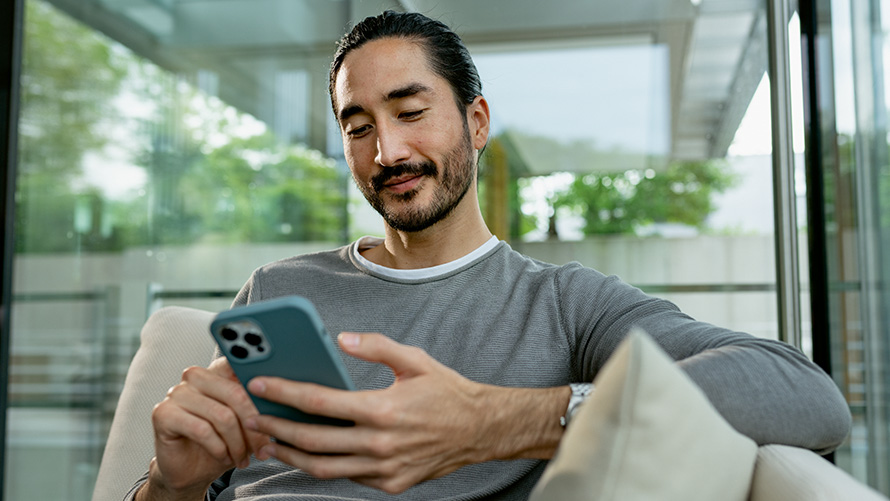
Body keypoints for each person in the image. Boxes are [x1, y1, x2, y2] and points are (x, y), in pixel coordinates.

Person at [128, 10, 852, 501]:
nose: (388, 151)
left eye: (411, 112)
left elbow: (802, 392)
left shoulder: (566, 304)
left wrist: (494, 420)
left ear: (475, 122)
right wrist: (173, 481)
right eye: (358, 126)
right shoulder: (278, 288)